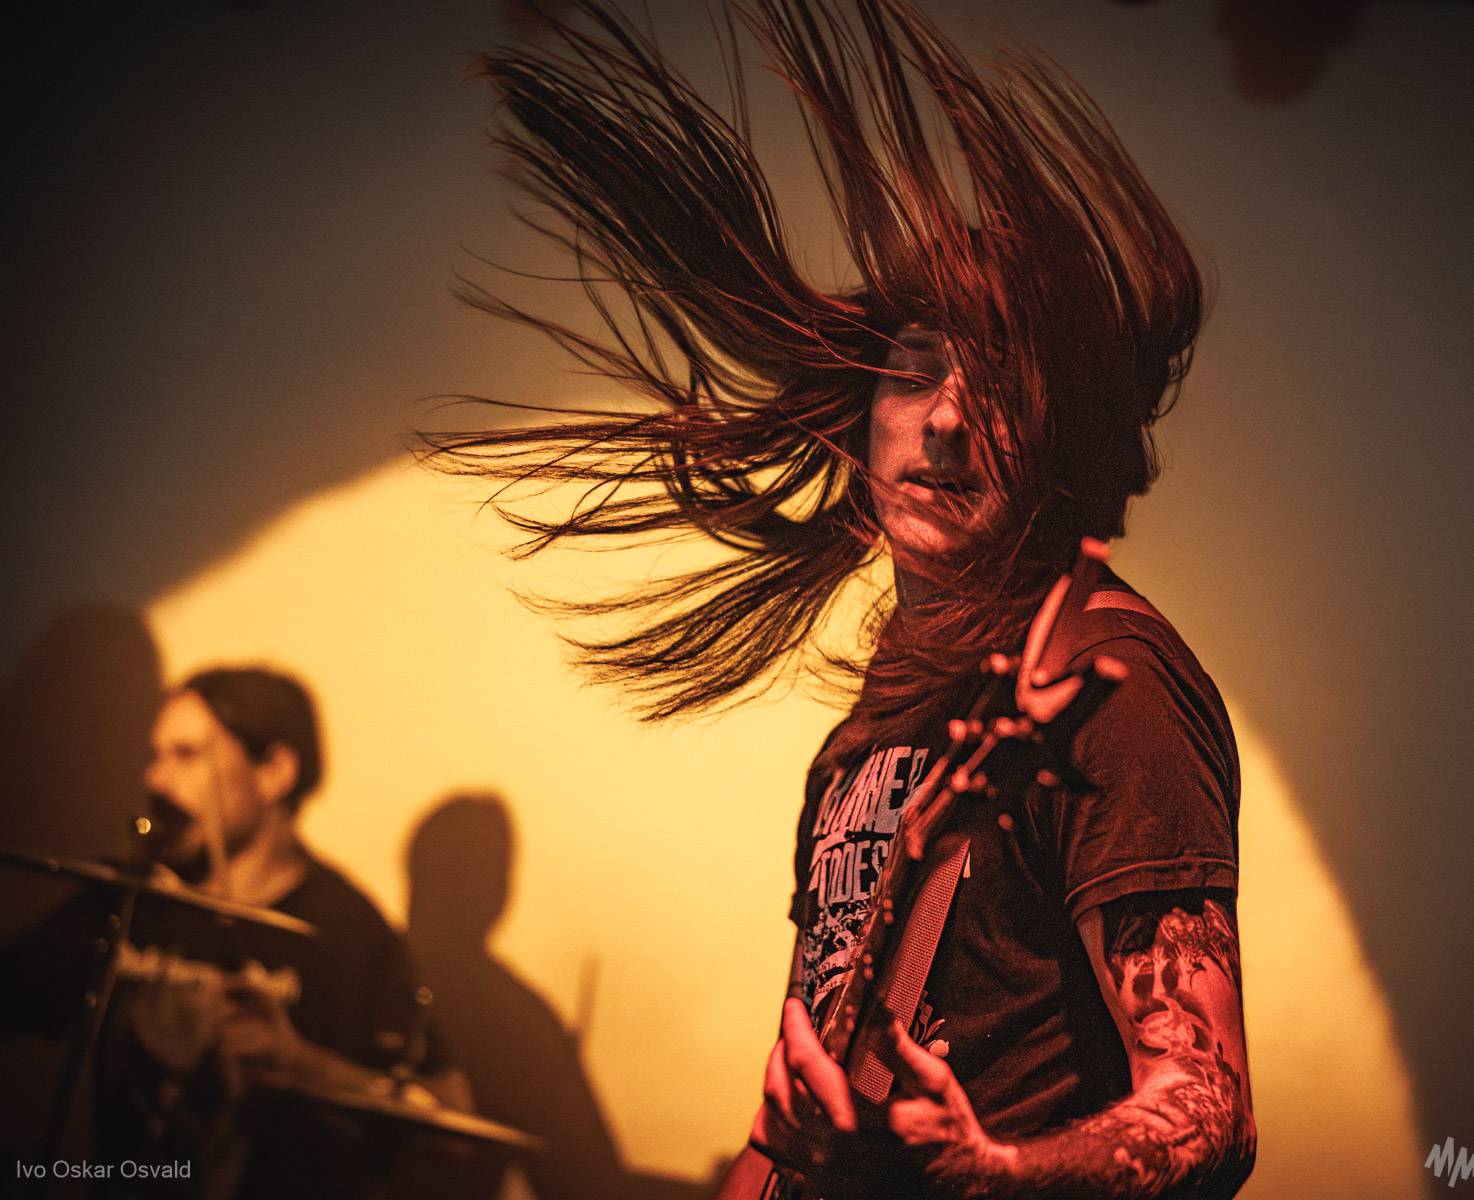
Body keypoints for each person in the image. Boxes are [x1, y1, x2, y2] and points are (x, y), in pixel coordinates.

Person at [434, 1, 1255, 1195]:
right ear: (865, 416)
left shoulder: (1108, 691)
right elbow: (794, 1104)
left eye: (1001, 385)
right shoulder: (870, 731)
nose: (947, 418)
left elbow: (1208, 1108)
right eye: (915, 370)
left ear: (1062, 438)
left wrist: (993, 1172)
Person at [3, 667, 474, 1198]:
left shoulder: (345, 927)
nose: (156, 779)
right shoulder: (130, 896)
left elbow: (450, 1122)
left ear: (274, 772)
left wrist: (299, 1064)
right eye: (156, 755)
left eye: (187, 755)